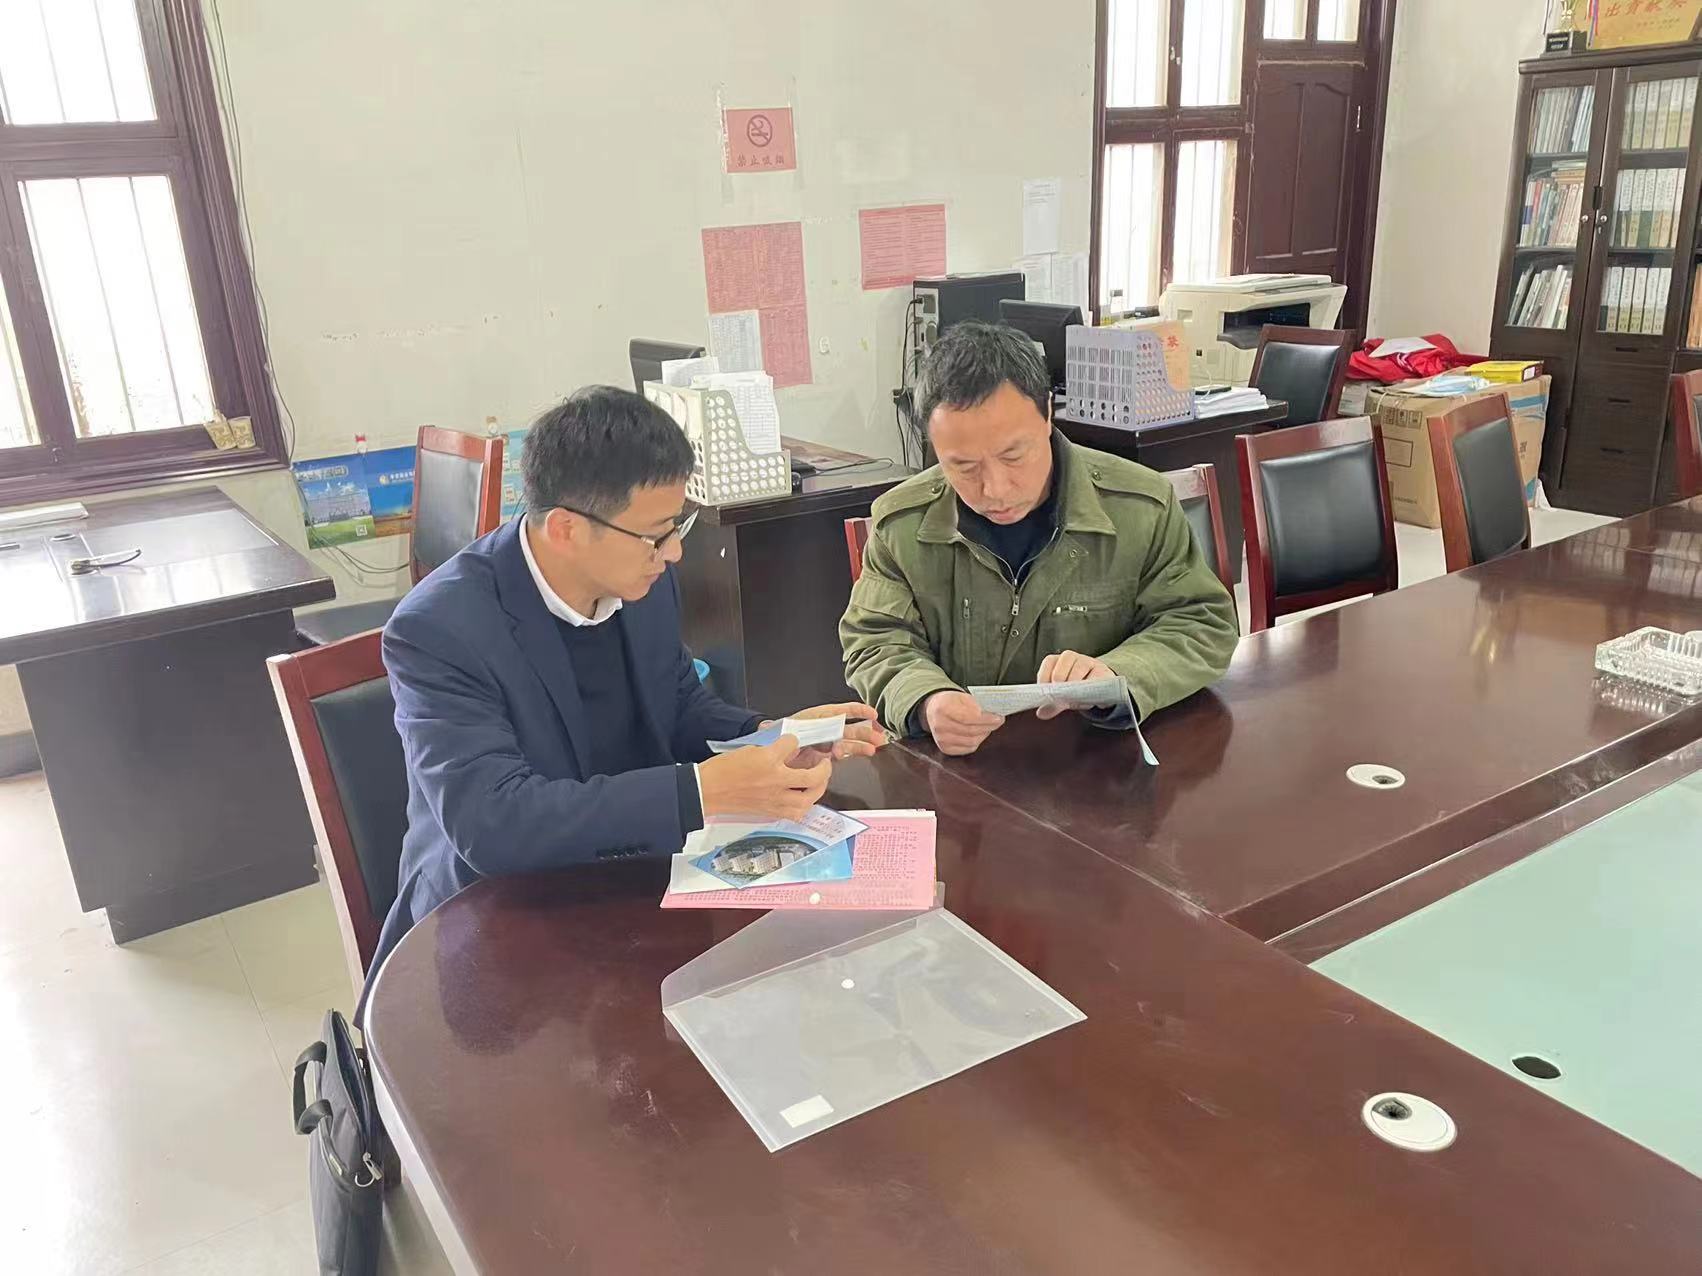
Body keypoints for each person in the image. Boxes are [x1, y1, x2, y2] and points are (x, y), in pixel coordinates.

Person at [375, 386, 885, 972]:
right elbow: (493, 824)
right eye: (656, 534)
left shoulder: (642, 578)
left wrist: (774, 735)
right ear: (565, 529)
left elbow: (679, 704)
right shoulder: (439, 629)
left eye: (676, 527)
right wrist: (699, 793)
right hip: (497, 917)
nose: (673, 553)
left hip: (627, 884)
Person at [840, 321, 1238, 756]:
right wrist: (926, 699)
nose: (995, 489)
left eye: (1014, 455)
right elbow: (876, 641)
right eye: (964, 467)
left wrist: (1117, 673)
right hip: (962, 767)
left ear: (1047, 413)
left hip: (1095, 761)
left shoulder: (1140, 506)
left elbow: (1201, 622)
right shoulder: (901, 525)